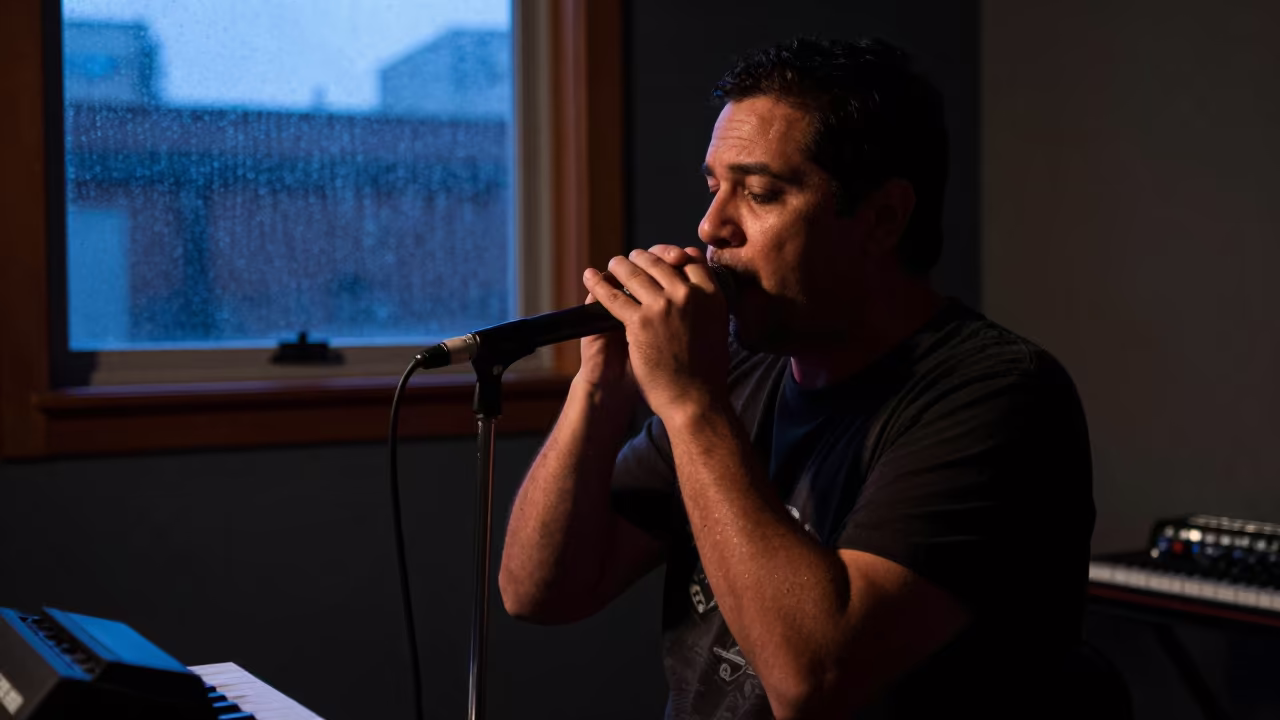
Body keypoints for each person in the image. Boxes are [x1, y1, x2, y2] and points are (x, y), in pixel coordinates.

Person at [498, 36, 1096, 719]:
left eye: (760, 192)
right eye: (714, 187)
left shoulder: (997, 397)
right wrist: (599, 386)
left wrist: (692, 404)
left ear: (881, 219)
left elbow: (812, 680)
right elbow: (539, 593)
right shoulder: (743, 373)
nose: (711, 226)